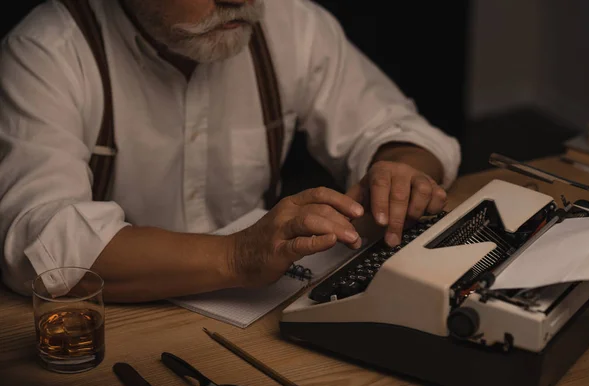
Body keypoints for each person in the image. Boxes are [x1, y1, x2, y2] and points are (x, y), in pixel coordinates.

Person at [0, 0, 461, 302]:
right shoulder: (47, 51)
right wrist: (237, 257)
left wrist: (398, 171)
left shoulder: (290, 22)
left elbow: (395, 129)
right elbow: (40, 243)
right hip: (119, 328)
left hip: (255, 319)